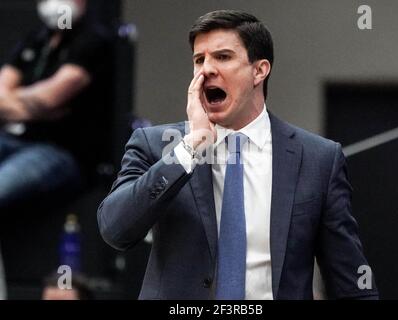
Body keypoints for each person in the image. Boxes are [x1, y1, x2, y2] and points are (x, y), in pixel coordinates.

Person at [97, 10, 379, 300]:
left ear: (259, 70)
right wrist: (191, 147)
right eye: (199, 59)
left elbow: (351, 283)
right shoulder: (155, 145)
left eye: (222, 57)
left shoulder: (318, 159)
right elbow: (115, 230)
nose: (206, 69)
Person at [0, 0, 112, 212]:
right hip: (12, 138)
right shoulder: (35, 39)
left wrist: (18, 101)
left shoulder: (92, 40)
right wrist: (38, 108)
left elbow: (49, 99)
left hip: (61, 152)